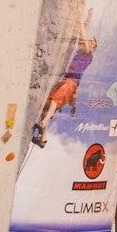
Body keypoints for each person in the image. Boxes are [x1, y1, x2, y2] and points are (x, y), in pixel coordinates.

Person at [31, 19, 98, 147]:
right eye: (89, 41)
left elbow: (83, 36)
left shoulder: (88, 55)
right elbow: (81, 34)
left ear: (93, 48)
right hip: (67, 81)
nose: (88, 42)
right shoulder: (81, 51)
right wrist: (87, 20)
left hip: (71, 83)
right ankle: (43, 139)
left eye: (91, 42)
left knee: (54, 101)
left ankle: (43, 123)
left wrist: (79, 16)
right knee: (50, 105)